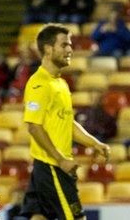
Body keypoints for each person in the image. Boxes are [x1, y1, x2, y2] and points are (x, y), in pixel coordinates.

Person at [20, 24, 110, 220]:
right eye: (64, 45)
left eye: (70, 44)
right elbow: (34, 127)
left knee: (38, 216)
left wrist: (94, 143)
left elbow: (68, 123)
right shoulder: (39, 84)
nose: (70, 49)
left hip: (45, 167)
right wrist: (60, 159)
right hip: (53, 167)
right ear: (48, 49)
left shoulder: (60, 83)